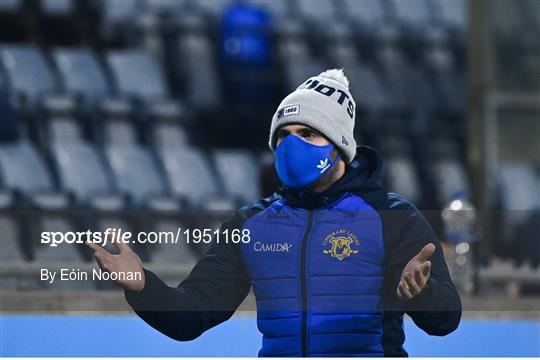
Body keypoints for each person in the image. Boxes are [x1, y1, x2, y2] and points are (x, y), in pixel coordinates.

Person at [87, 69, 461, 357]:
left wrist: (421, 293)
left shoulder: (393, 216)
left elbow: (446, 320)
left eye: (309, 134)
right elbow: (192, 315)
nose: (292, 144)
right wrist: (142, 287)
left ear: (341, 146)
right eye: (284, 135)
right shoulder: (250, 223)